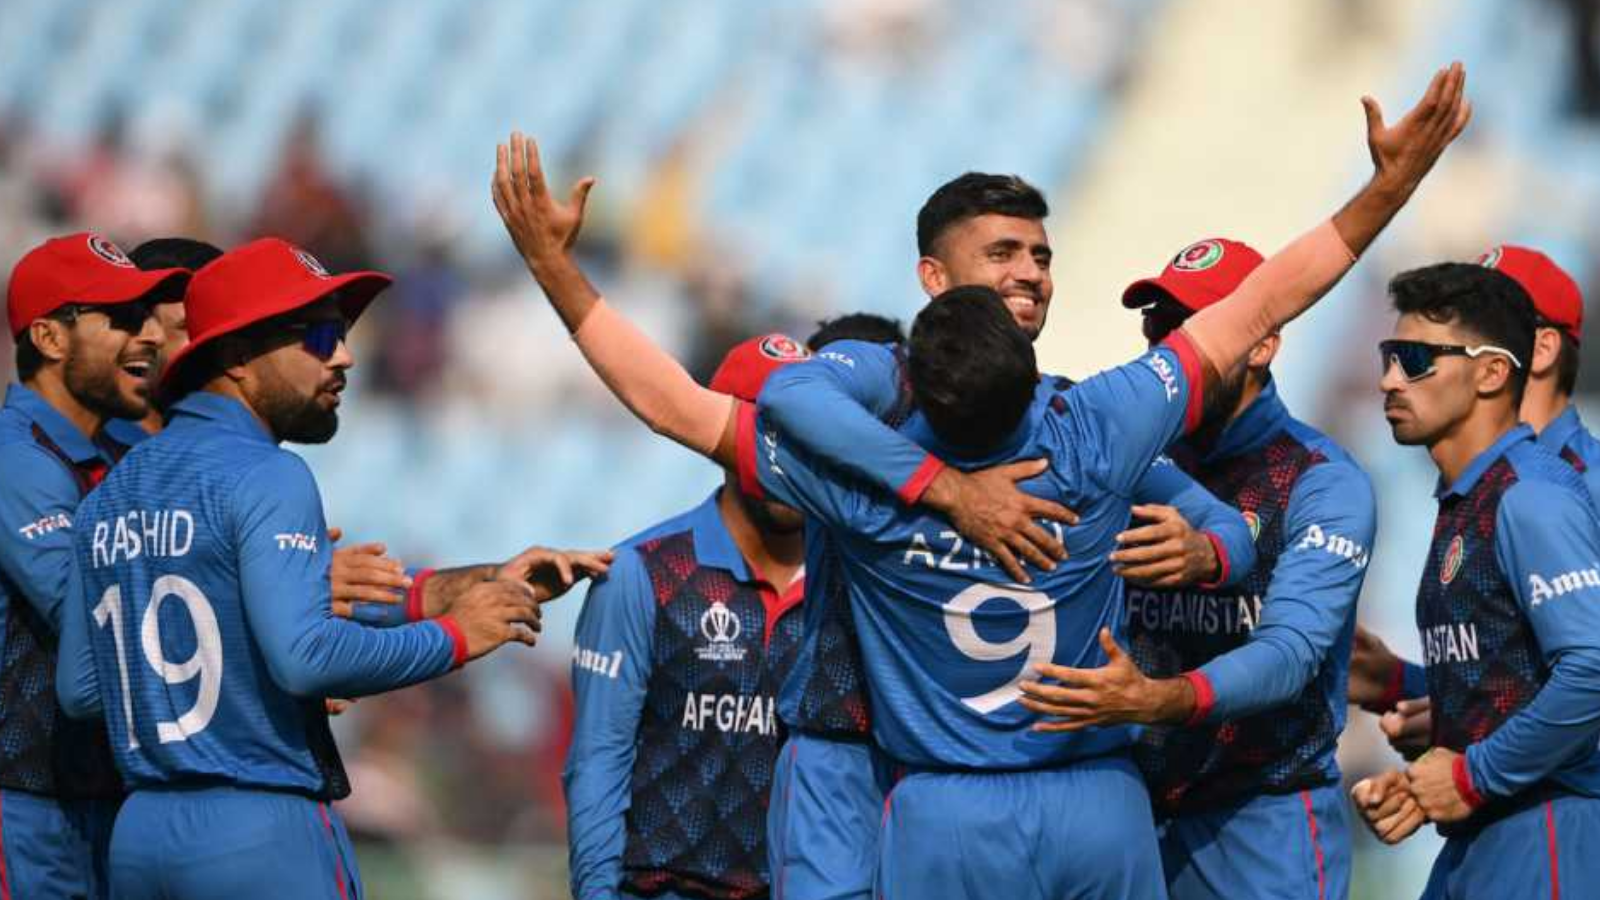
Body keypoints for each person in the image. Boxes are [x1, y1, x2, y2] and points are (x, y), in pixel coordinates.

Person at [494, 62, 1470, 898]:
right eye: (1007, 259)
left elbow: (672, 401)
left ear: (912, 378)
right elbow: (1261, 299)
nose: (1031, 276)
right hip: (1099, 798)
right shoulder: (1098, 428)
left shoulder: (859, 478)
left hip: (944, 804)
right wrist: (1388, 187)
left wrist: (553, 266)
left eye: (1036, 256)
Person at [53, 237, 603, 900]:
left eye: (339, 334)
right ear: (235, 358)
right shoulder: (269, 473)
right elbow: (306, 659)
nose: (342, 355)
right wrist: (458, 635)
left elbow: (84, 689)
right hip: (260, 827)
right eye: (314, 336)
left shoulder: (111, 489)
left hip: (139, 836)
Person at [1019, 238, 1376, 900]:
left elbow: (1291, 654)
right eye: (1157, 326)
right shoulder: (1127, 456)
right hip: (1123, 809)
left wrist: (1163, 699)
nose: (1167, 348)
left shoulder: (1322, 482)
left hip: (1262, 823)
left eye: (1189, 327)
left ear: (1263, 344)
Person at [1349, 263, 1600, 898]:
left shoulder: (1533, 497)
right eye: (1388, 355)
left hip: (1548, 830)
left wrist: (1471, 776)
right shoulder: (1473, 496)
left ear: (1492, 372)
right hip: (1491, 834)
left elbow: (1593, 668)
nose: (1388, 380)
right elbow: (1518, 667)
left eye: (1415, 359)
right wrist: (1410, 700)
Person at [566, 335, 810, 900]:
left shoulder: (852, 584)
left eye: (807, 432)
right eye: (766, 432)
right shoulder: (640, 572)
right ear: (718, 435)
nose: (787, 456)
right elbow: (597, 764)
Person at [0, 232, 189, 900]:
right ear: (50, 339)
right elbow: (84, 616)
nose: (146, 338)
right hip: (25, 807)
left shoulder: (126, 450)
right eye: (121, 318)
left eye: (147, 318)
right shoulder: (15, 457)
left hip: (111, 802)